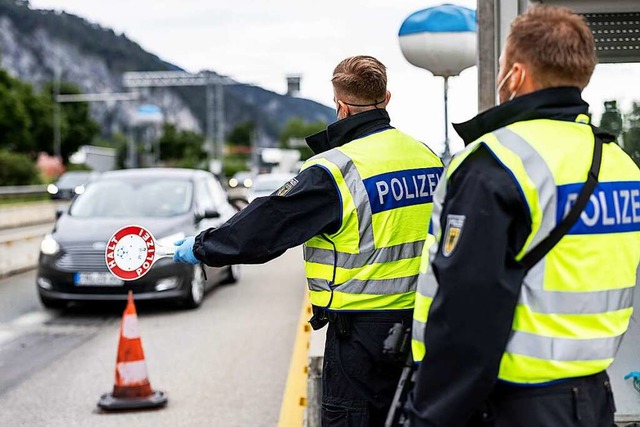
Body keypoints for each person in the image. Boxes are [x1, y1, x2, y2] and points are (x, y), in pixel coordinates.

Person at [173, 55, 444, 425]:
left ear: (341, 107)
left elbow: (266, 226)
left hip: (361, 339)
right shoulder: (428, 157)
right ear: (388, 98)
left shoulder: (336, 169)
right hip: (426, 327)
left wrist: (203, 246)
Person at [408, 5, 640, 427]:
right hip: (594, 398)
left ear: (515, 75)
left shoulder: (495, 163)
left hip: (511, 405)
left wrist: (428, 415)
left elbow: (466, 312)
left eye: (500, 67)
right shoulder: (621, 165)